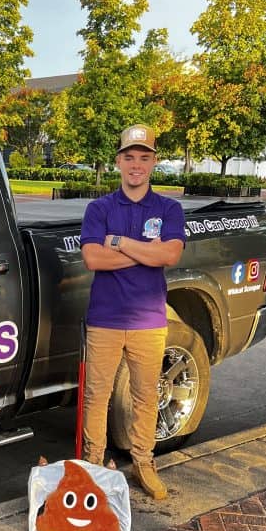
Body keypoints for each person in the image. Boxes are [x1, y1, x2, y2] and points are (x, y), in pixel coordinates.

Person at [78, 124, 186, 500]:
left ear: (154, 162)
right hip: (105, 319)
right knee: (96, 396)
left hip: (149, 321)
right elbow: (93, 258)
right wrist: (145, 252)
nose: (136, 165)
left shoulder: (168, 208)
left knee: (144, 396)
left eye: (144, 157)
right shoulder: (100, 208)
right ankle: (93, 465)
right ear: (118, 162)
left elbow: (169, 255)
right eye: (129, 157)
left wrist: (120, 243)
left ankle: (143, 461)